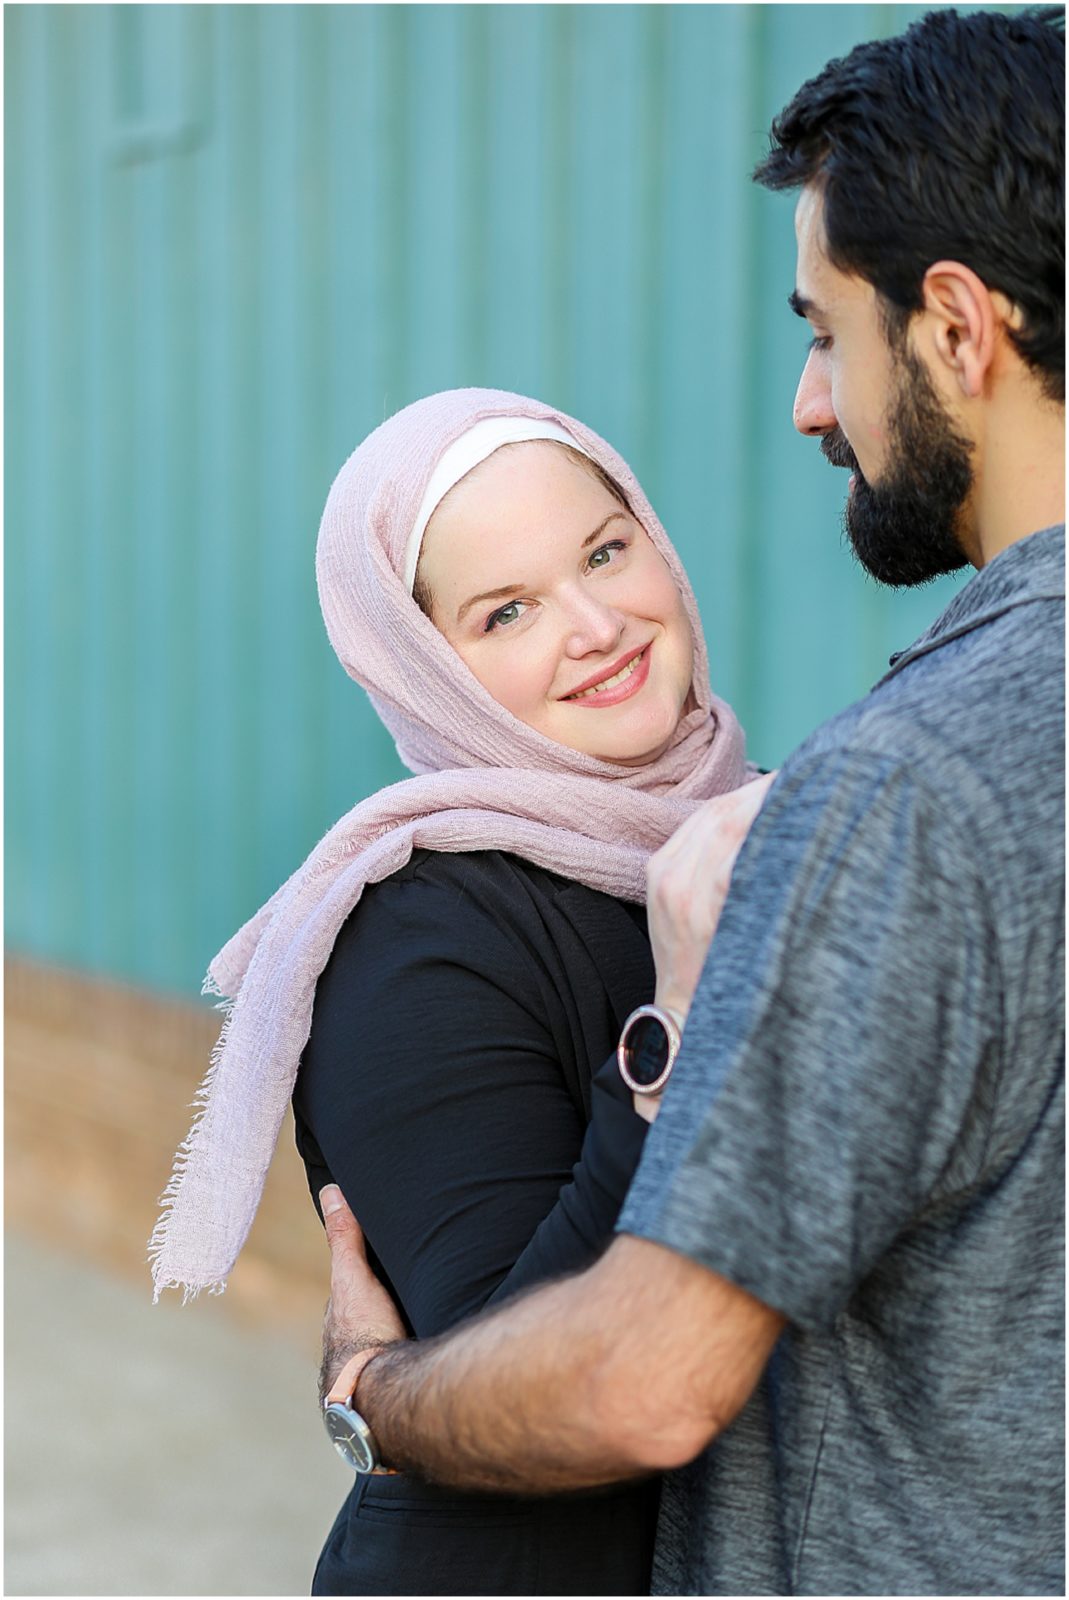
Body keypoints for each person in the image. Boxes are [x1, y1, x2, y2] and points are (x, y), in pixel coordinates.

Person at [316, 9, 1065, 1596]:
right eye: (498, 610)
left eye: (823, 330)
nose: (811, 405)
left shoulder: (888, 792)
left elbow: (636, 1382)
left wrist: (373, 1398)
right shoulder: (429, 931)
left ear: (952, 329)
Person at [150, 386, 770, 1594]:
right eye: (507, 612)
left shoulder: (757, 822)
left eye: (604, 550)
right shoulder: (415, 937)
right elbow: (538, 1381)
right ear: (423, 662)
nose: (595, 625)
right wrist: (676, 1036)